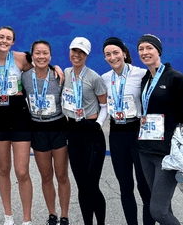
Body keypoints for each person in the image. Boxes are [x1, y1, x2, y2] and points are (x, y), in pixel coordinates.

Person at [136, 34, 183, 225]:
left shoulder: (178, 79)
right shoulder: (145, 80)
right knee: (164, 207)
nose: (144, 52)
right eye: (141, 49)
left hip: (167, 155)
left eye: (149, 48)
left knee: (157, 211)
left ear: (159, 51)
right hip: (145, 151)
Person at [101, 37, 154, 225]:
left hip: (137, 131)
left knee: (144, 186)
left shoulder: (141, 74)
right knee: (125, 186)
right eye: (108, 54)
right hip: (116, 133)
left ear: (124, 53)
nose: (113, 57)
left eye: (116, 52)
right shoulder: (105, 78)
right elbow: (103, 105)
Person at [0, 26, 34, 225]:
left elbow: (42, 68)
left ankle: (27, 219)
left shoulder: (21, 58)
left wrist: (56, 68)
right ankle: (8, 216)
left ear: (13, 41)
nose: (4, 40)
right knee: (3, 169)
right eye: (1, 37)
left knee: (22, 171)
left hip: (19, 113)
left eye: (9, 38)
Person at [21, 40, 71, 225]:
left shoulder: (60, 75)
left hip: (58, 126)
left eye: (45, 53)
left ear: (50, 55)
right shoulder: (25, 77)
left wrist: (56, 67)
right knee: (46, 176)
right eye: (38, 53)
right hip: (38, 128)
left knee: (62, 175)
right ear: (32, 55)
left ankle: (64, 215)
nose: (41, 57)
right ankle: (52, 214)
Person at [62, 37, 108, 225]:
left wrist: (97, 124)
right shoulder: (65, 72)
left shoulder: (95, 78)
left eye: (81, 52)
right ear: (69, 51)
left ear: (87, 55)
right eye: (74, 50)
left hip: (91, 133)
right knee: (81, 185)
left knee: (92, 185)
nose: (77, 55)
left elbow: (105, 106)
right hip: (72, 131)